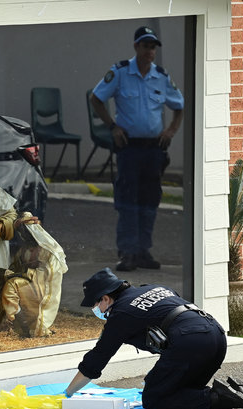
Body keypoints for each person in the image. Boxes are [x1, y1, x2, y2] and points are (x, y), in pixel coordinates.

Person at [64, 268, 243, 409]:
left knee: (154, 398)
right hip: (216, 335)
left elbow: (97, 358)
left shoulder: (121, 313)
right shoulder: (153, 288)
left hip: (191, 342)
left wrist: (68, 394)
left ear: (105, 298)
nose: (95, 309)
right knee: (180, 391)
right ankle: (234, 392)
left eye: (95, 303)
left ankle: (220, 398)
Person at [90, 26, 184, 272]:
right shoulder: (120, 72)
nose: (149, 51)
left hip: (154, 150)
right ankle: (128, 253)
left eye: (153, 47)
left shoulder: (161, 77)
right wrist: (112, 127)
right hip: (129, 148)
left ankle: (143, 251)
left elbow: (179, 105)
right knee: (128, 202)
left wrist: (171, 130)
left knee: (149, 201)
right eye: (145, 46)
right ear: (136, 47)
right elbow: (96, 99)